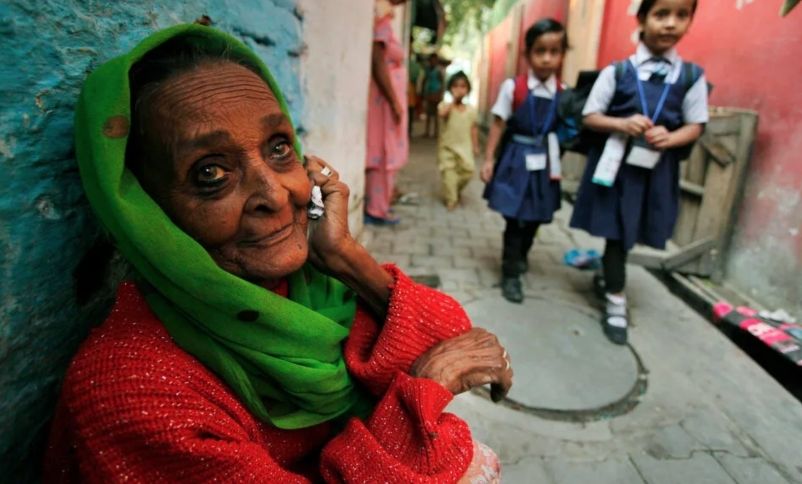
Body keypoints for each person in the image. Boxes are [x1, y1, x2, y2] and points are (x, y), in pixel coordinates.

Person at [43, 24, 513, 483]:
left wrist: (346, 257)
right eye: (211, 174)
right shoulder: (129, 389)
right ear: (145, 212)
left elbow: (452, 334)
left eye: (279, 148)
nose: (276, 192)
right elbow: (442, 361)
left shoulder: (308, 287)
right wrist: (419, 396)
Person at [570, 0, 708, 345]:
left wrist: (672, 136)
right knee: (617, 233)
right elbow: (590, 115)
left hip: (655, 173)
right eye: (661, 14)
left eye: (681, 15)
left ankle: (606, 276)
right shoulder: (618, 72)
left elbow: (696, 124)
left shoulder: (690, 77)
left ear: (690, 22)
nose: (670, 24)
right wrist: (621, 122)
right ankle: (616, 298)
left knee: (631, 232)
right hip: (616, 170)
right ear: (643, 18)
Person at [480, 19, 569, 304]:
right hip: (515, 162)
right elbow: (497, 124)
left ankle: (522, 255)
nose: (547, 58)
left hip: (545, 164)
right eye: (540, 51)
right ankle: (510, 272)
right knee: (515, 220)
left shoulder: (564, 94)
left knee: (536, 217)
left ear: (562, 55)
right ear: (527, 54)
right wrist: (488, 159)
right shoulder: (513, 88)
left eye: (554, 51)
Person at [365, 0, 409, 225]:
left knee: (386, 150)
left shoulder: (388, 22)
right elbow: (377, 61)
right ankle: (376, 209)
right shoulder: (381, 22)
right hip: (383, 102)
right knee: (383, 151)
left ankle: (380, 204)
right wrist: (393, 100)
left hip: (386, 101)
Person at [437, 71, 480, 211]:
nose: (459, 90)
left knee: (468, 172)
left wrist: (475, 146)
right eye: (455, 86)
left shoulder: (471, 110)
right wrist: (453, 102)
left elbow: (473, 128)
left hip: (464, 148)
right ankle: (451, 199)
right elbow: (442, 114)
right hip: (447, 148)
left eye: (463, 86)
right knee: (449, 173)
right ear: (450, 89)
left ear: (468, 90)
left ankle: (455, 190)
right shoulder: (445, 105)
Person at [423, 53, 445, 138]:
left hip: (436, 93)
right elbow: (425, 80)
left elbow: (442, 82)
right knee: (428, 114)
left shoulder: (438, 70)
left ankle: (436, 132)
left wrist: (440, 93)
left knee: (436, 114)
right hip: (429, 93)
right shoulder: (427, 70)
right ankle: (427, 131)